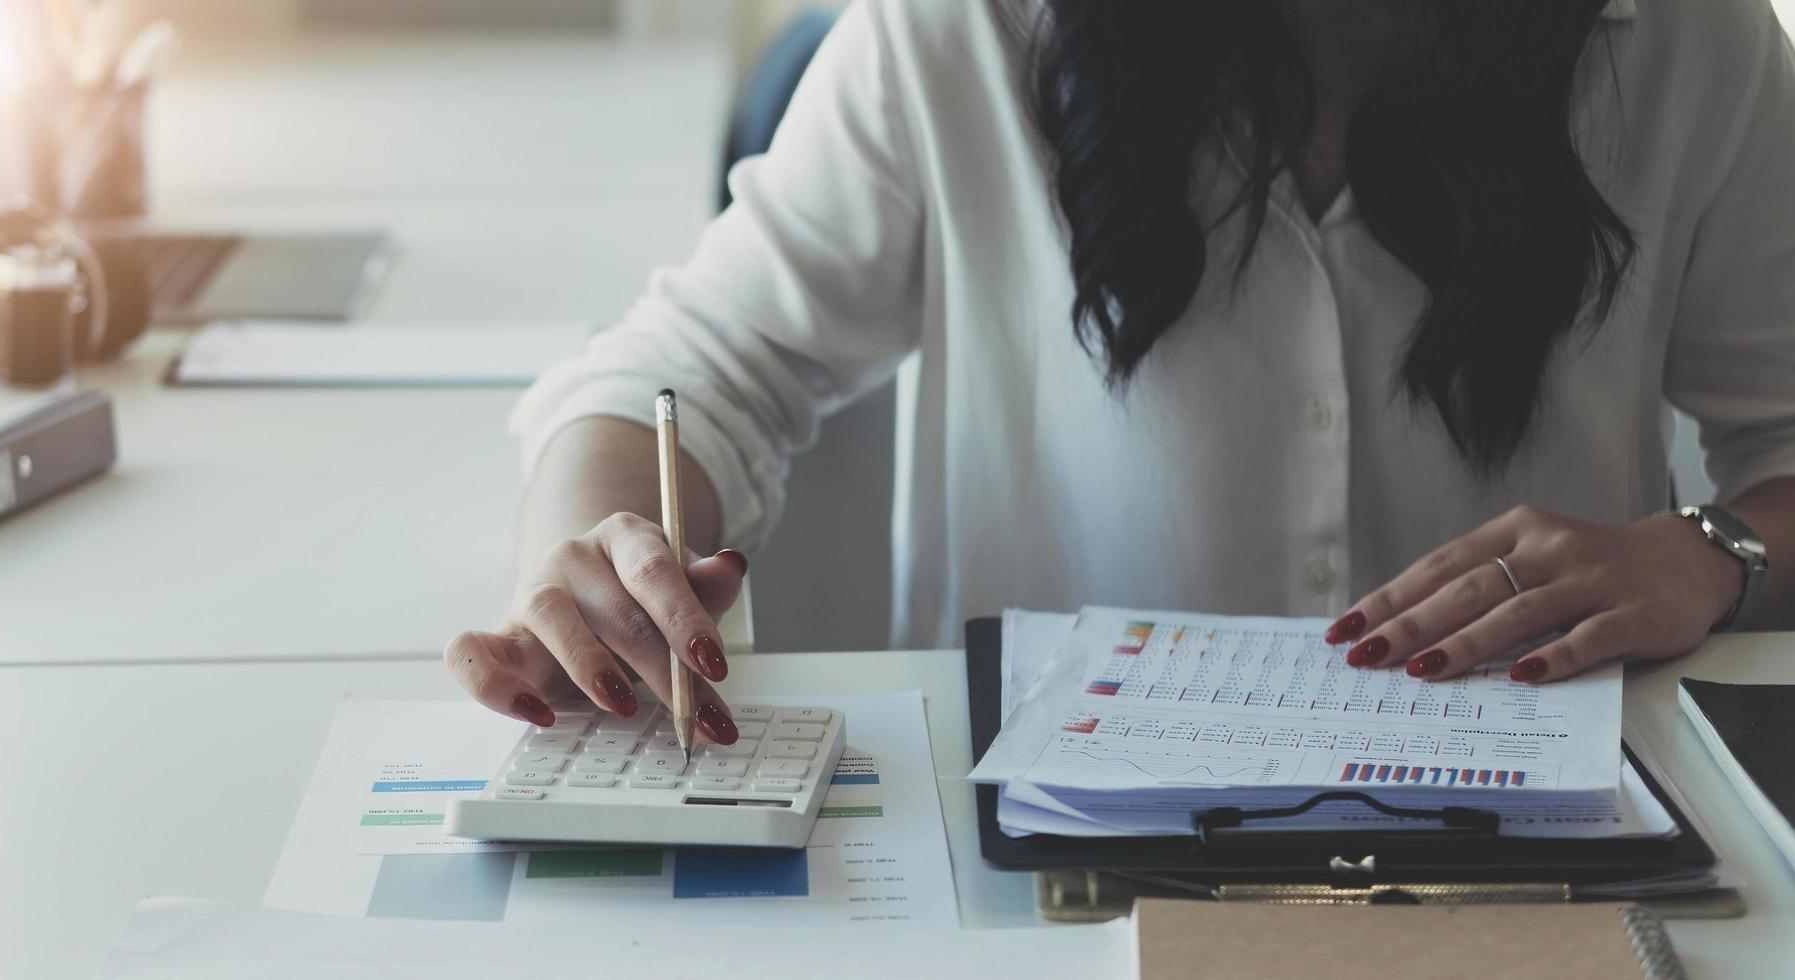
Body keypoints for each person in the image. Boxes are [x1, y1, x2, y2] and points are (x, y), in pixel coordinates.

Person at [443, 0, 1795, 740]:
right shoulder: (964, 32)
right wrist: (588, 557)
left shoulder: (1693, 43)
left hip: (1550, 855)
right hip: (1048, 867)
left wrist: (1714, 549)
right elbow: (687, 367)